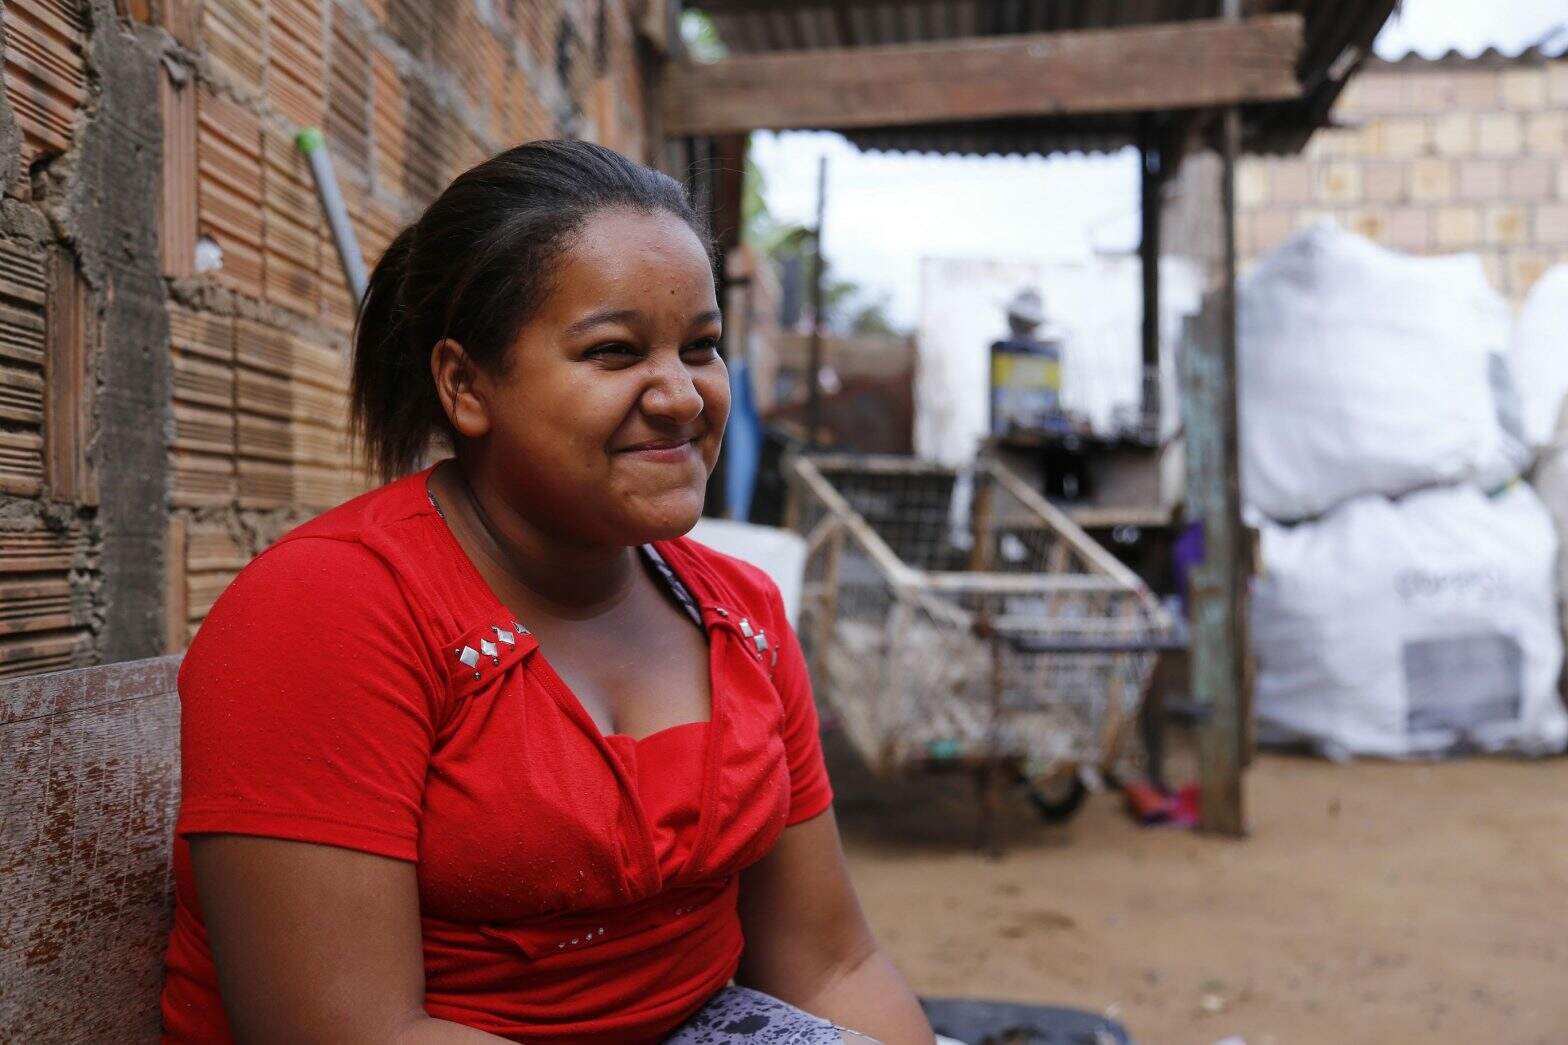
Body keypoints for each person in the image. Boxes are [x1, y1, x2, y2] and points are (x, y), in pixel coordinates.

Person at [160, 140, 934, 1045]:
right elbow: (348, 1029)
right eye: (614, 351)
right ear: (466, 384)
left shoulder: (742, 615)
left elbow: (830, 963)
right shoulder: (331, 612)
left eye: (702, 347)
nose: (683, 396)